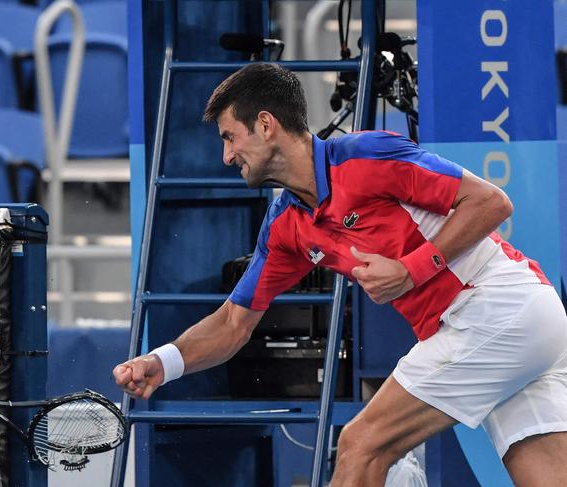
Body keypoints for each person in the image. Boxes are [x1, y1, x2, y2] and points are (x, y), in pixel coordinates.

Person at [113, 63, 567, 486]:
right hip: (525, 326)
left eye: (231, 137)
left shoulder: (365, 156)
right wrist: (163, 362)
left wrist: (410, 271)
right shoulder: (286, 224)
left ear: (266, 125)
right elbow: (234, 324)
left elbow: (491, 203)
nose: (228, 155)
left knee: (360, 444)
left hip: (495, 307)